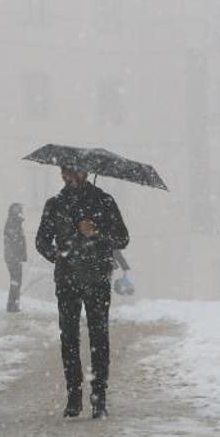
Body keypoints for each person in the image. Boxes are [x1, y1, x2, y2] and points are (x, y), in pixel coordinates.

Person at [36, 167, 129, 419]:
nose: (71, 176)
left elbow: (122, 238)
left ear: (86, 172)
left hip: (97, 278)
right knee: (69, 338)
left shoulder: (103, 200)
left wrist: (96, 232)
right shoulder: (55, 204)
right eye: (66, 171)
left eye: (75, 171)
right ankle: (74, 396)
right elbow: (41, 241)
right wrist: (53, 253)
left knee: (99, 338)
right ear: (61, 174)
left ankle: (99, 397)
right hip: (67, 279)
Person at [3, 203, 27, 313]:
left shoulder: (15, 224)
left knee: (16, 281)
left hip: (15, 257)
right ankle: (12, 306)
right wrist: (15, 257)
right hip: (13, 258)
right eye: (19, 210)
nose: (21, 213)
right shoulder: (13, 224)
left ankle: (13, 305)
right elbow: (14, 242)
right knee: (16, 281)